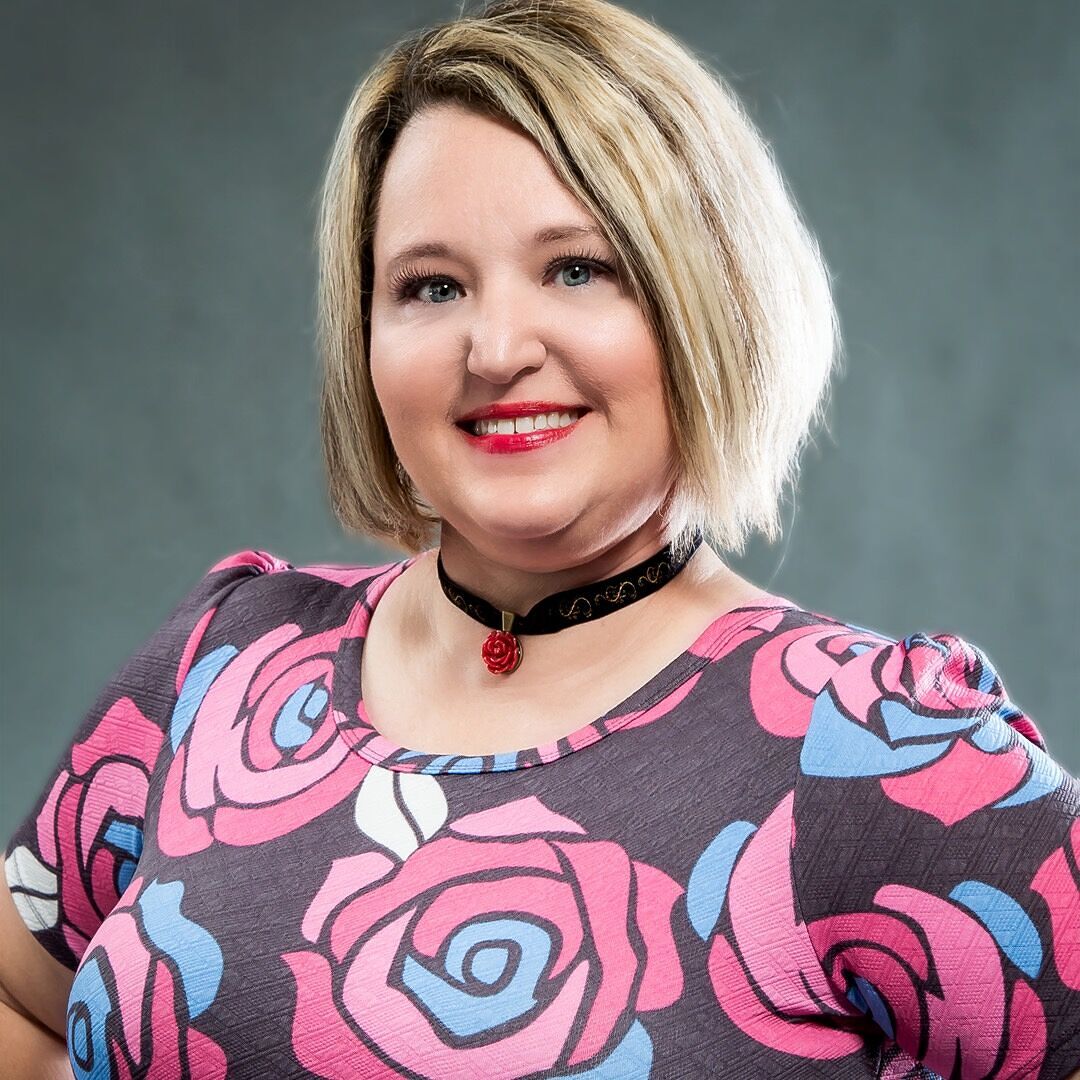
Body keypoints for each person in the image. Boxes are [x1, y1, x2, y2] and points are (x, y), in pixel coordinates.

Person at [3, 0, 1078, 1075]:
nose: (498, 347)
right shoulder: (226, 661)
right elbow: (22, 1004)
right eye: (432, 286)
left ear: (708, 300)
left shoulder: (875, 755)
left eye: (577, 268)